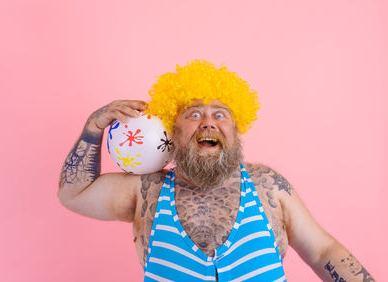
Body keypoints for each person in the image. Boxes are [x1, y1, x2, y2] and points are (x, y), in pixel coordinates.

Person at [58, 60, 374, 281]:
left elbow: (322, 253)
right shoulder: (145, 190)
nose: (208, 121)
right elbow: (75, 194)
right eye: (193, 113)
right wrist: (93, 128)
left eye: (220, 113)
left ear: (236, 132)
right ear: (173, 131)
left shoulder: (269, 187)